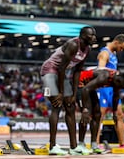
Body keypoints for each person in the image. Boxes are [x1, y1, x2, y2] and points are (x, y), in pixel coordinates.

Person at [40, 26, 97, 155]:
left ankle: (74, 147)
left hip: (62, 74)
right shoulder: (73, 45)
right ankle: (52, 146)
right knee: (57, 105)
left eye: (94, 35)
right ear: (82, 36)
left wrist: (74, 93)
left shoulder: (87, 49)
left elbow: (77, 71)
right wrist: (60, 93)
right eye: (91, 35)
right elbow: (60, 68)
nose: (94, 37)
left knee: (70, 106)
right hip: (49, 71)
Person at [95, 34, 124, 151]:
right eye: (121, 47)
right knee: (100, 116)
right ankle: (96, 143)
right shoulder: (105, 53)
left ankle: (123, 143)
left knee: (119, 115)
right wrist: (114, 72)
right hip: (104, 88)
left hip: (113, 88)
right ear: (117, 42)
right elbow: (100, 69)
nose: (121, 50)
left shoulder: (114, 54)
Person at [76, 68, 124, 154]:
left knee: (97, 114)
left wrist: (114, 112)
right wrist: (85, 109)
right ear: (118, 81)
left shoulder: (117, 82)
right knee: (87, 114)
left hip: (89, 87)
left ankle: (94, 144)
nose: (118, 88)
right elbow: (85, 90)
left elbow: (115, 97)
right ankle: (80, 144)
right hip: (80, 84)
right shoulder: (104, 77)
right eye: (119, 86)